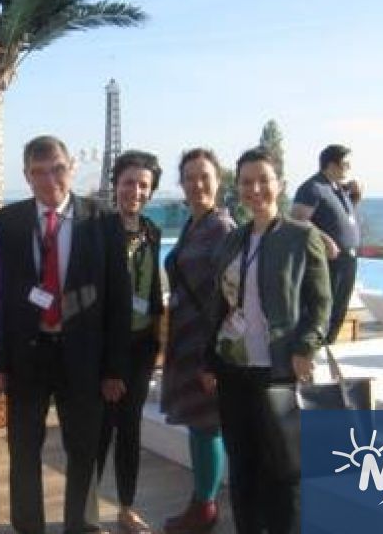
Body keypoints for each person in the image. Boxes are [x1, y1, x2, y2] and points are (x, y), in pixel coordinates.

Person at [0, 135, 131, 534]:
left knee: (83, 449)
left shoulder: (103, 221)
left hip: (83, 357)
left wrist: (114, 368)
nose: (49, 180)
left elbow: (119, 300)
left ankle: (81, 525)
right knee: (23, 449)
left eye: (57, 169)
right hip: (27, 355)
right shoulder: (6, 223)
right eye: (38, 172)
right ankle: (28, 526)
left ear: (71, 168)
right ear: (26, 176)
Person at [202, 147, 331, 533]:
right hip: (234, 371)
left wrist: (306, 346)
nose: (254, 189)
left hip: (278, 370)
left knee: (283, 470)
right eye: (246, 182)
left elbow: (321, 304)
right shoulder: (233, 240)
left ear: (281, 185)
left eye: (263, 180)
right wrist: (210, 359)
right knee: (242, 468)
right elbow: (219, 305)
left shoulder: (301, 236)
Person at [86, 151, 166, 534]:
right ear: (116, 184)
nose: (135, 190)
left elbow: (151, 292)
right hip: (105, 351)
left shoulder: (151, 231)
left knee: (130, 429)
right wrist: (108, 366)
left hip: (141, 347)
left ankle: (126, 507)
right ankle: (87, 511)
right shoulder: (97, 230)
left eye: (143, 185)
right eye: (128, 182)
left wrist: (159, 340)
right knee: (100, 431)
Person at [159, 148, 236, 533]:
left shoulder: (222, 229)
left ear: (218, 180)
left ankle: (205, 506)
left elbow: (232, 297)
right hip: (186, 337)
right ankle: (200, 501)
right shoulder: (194, 224)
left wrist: (215, 357)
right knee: (196, 422)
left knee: (207, 425)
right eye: (189, 177)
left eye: (204, 176)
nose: (197, 184)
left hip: (207, 343)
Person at [290, 144, 361, 343]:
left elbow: (344, 219)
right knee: (322, 309)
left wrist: (356, 197)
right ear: (331, 165)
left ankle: (329, 346)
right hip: (327, 260)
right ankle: (312, 348)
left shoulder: (338, 189)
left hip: (347, 260)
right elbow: (297, 219)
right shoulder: (313, 188)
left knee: (339, 309)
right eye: (346, 164)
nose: (349, 168)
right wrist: (325, 240)